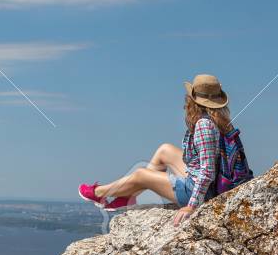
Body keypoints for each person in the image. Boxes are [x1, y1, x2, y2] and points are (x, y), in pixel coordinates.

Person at [79, 74, 236, 226]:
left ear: (192, 99)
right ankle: (127, 196)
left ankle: (99, 193)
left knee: (141, 174)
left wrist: (192, 205)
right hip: (207, 183)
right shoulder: (217, 120)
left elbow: (207, 171)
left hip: (199, 191)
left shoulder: (203, 125)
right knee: (164, 150)